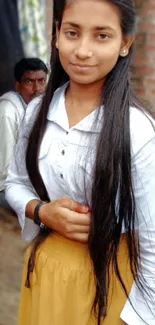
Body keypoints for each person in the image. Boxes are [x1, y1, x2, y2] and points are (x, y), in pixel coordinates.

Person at [5, 0, 155, 324]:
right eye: (72, 32)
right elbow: (15, 183)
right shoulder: (36, 114)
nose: (83, 50)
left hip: (111, 282)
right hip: (45, 272)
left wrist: (142, 317)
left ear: (125, 43)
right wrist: (41, 211)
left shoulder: (138, 130)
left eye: (102, 36)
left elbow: (152, 237)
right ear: (56, 34)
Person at [0, 58, 48, 209]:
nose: (37, 88)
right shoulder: (7, 112)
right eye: (29, 82)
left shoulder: (38, 107)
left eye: (41, 81)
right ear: (17, 85)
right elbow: (5, 171)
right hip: (6, 187)